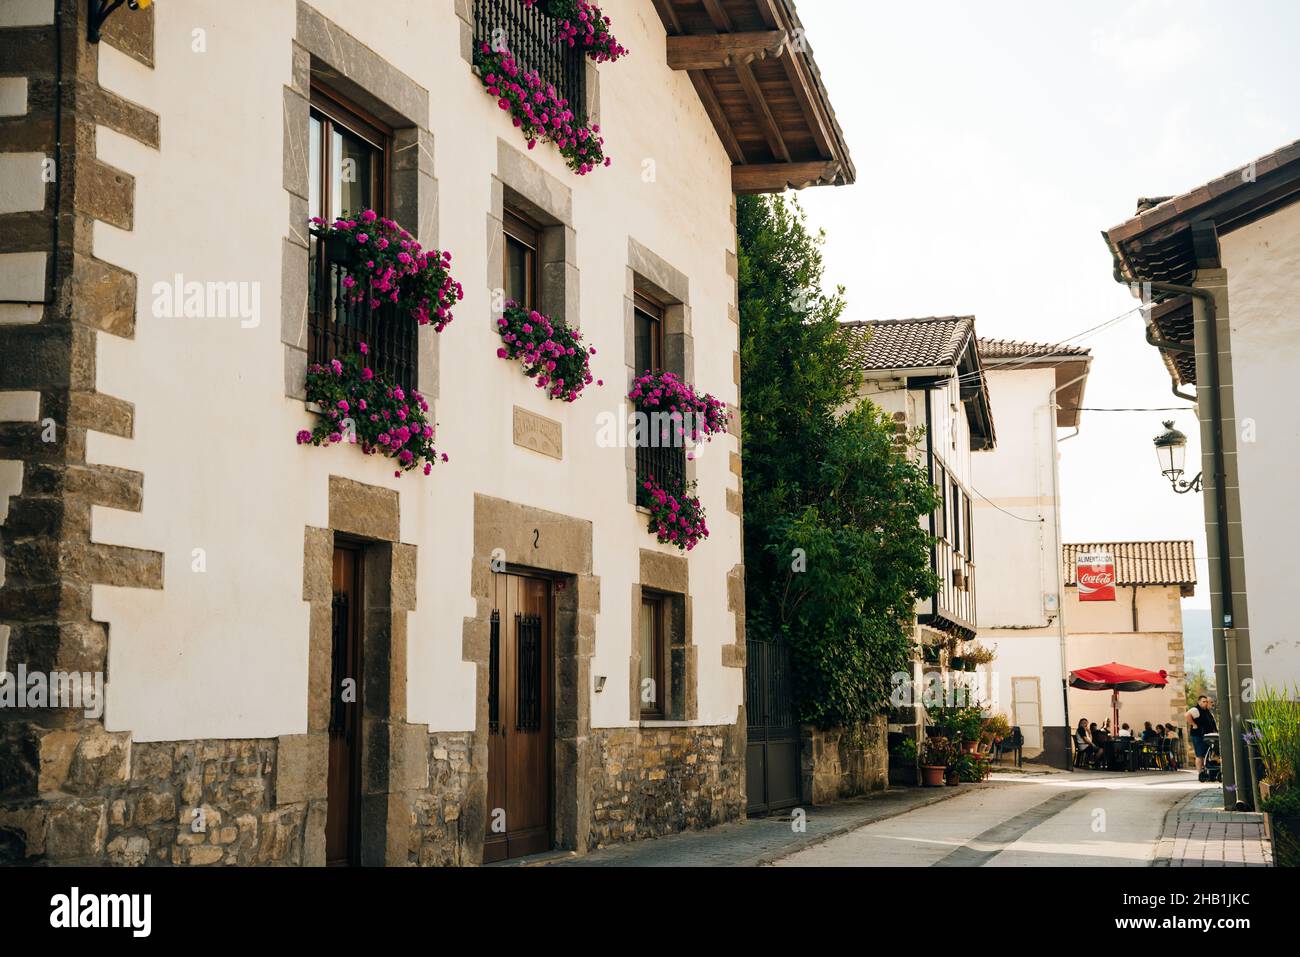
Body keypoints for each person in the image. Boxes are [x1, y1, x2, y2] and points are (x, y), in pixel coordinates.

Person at [1186, 694, 1218, 773]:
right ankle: (1200, 773)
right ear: (1199, 702)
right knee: (1199, 754)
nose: (1206, 703)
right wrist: (1194, 724)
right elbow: (1187, 715)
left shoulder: (1206, 710)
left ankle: (1205, 771)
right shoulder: (1196, 709)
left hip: (1206, 736)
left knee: (1205, 754)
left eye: (1206, 702)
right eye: (1203, 701)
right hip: (1198, 735)